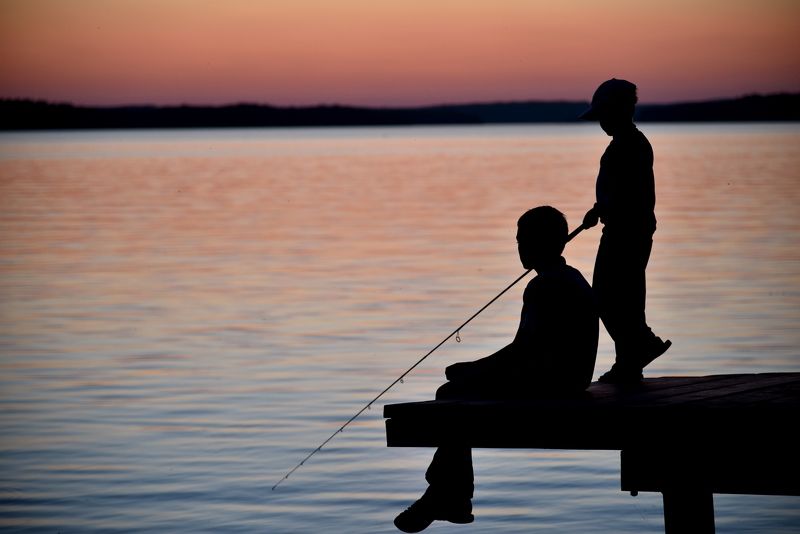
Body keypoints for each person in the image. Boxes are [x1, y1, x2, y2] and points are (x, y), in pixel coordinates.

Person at [394, 206, 599, 533]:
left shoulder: (544, 286)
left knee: (451, 393)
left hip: (554, 382)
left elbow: (523, 351)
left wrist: (472, 369)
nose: (518, 247)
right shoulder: (570, 277)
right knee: (457, 390)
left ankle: (449, 494)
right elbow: (530, 350)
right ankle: (449, 494)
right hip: (569, 377)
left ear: (539, 243)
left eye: (522, 241)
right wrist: (477, 371)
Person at [580, 78, 671, 384]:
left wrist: (604, 208)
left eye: (604, 114)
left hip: (627, 232)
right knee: (621, 296)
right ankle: (632, 358)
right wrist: (599, 208)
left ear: (622, 110)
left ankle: (636, 350)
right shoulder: (625, 144)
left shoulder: (631, 145)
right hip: (625, 229)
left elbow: (627, 194)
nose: (601, 122)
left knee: (610, 296)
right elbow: (618, 192)